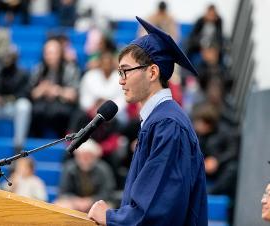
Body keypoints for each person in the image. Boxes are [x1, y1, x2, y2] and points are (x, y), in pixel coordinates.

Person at [88, 16, 207, 225]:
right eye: (119, 71)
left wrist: (109, 218)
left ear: (152, 72)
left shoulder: (168, 125)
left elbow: (157, 210)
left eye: (126, 70)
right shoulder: (158, 120)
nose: (120, 79)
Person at [55, 139, 115, 213]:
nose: (85, 159)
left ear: (95, 157)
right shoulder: (69, 168)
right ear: (77, 156)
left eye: (89, 156)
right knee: (60, 206)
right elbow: (63, 191)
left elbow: (107, 192)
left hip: (97, 203)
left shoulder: (104, 168)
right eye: (82, 156)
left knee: (107, 210)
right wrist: (77, 201)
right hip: (74, 202)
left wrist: (90, 201)